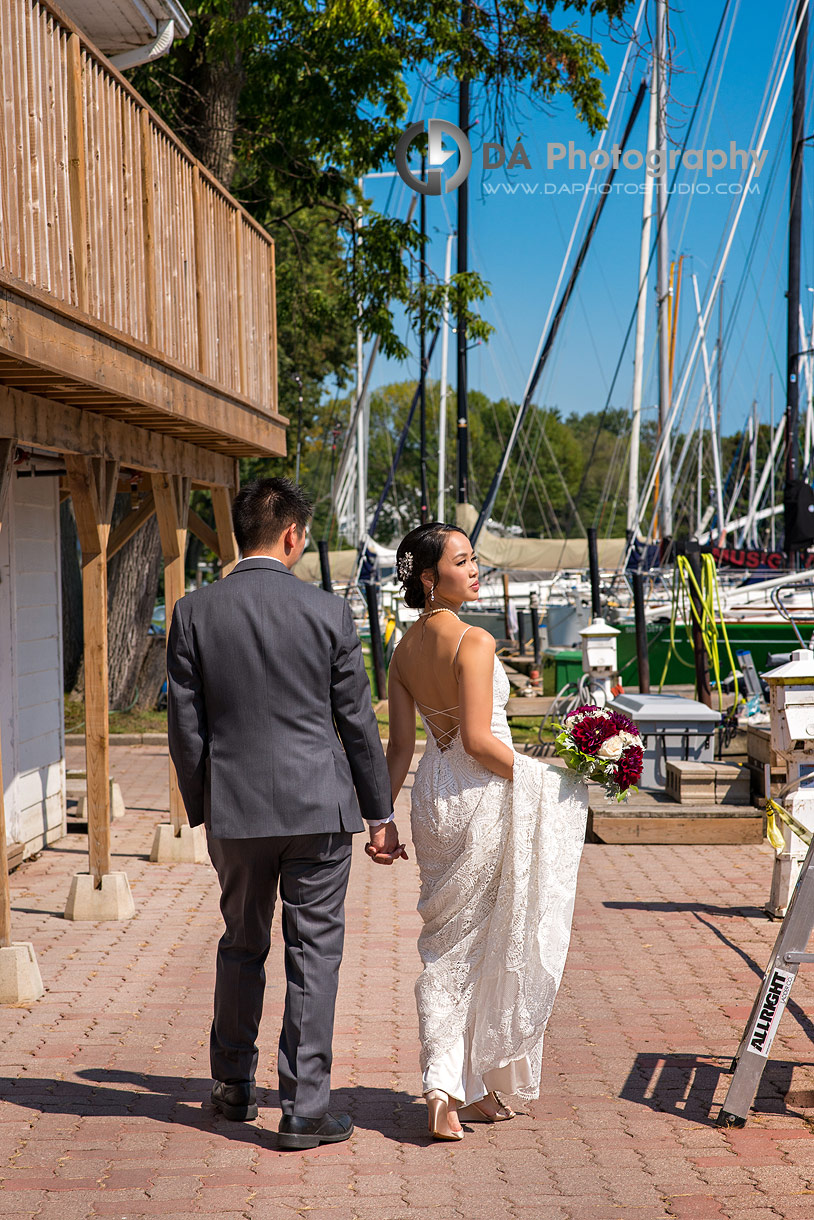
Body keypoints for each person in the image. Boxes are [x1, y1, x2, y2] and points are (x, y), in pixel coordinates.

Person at [166, 476, 406, 1151]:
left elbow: (185, 727)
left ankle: (233, 1086)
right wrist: (380, 813)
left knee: (241, 944)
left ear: (243, 534)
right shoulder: (328, 613)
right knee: (315, 954)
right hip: (318, 809)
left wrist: (202, 805)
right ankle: (303, 1108)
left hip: (236, 812)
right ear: (293, 536)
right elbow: (356, 722)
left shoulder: (193, 612)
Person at [385, 522, 588, 1141]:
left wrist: (380, 819)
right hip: (478, 796)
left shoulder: (401, 652)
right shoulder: (474, 640)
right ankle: (450, 1088)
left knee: (445, 943)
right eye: (464, 561)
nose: (476, 570)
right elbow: (479, 740)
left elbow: (398, 750)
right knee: (490, 939)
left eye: (475, 560)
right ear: (429, 578)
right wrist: (552, 778)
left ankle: (457, 1086)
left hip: (431, 795)